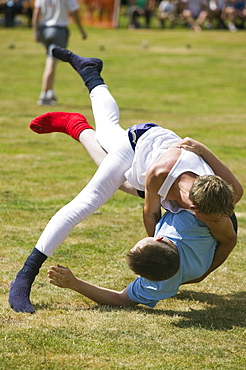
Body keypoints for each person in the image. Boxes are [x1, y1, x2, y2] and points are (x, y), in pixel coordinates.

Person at [8, 47, 242, 313]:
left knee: (115, 174)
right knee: (91, 194)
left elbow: (236, 191)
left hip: (166, 176)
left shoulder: (220, 192)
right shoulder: (158, 174)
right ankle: (25, 275)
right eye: (213, 219)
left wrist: (200, 148)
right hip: (138, 145)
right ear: (194, 209)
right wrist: (157, 248)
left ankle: (82, 105)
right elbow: (150, 211)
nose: (219, 222)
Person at [47, 208, 230, 309]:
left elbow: (120, 299)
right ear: (158, 238)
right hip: (215, 217)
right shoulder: (186, 223)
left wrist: (76, 283)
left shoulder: (163, 283)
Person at [32, 0, 87, 106]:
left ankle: (50, 92)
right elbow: (74, 12)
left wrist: (35, 31)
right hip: (58, 31)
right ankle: (44, 95)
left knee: (51, 60)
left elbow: (37, 12)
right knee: (51, 63)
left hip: (44, 30)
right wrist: (81, 30)